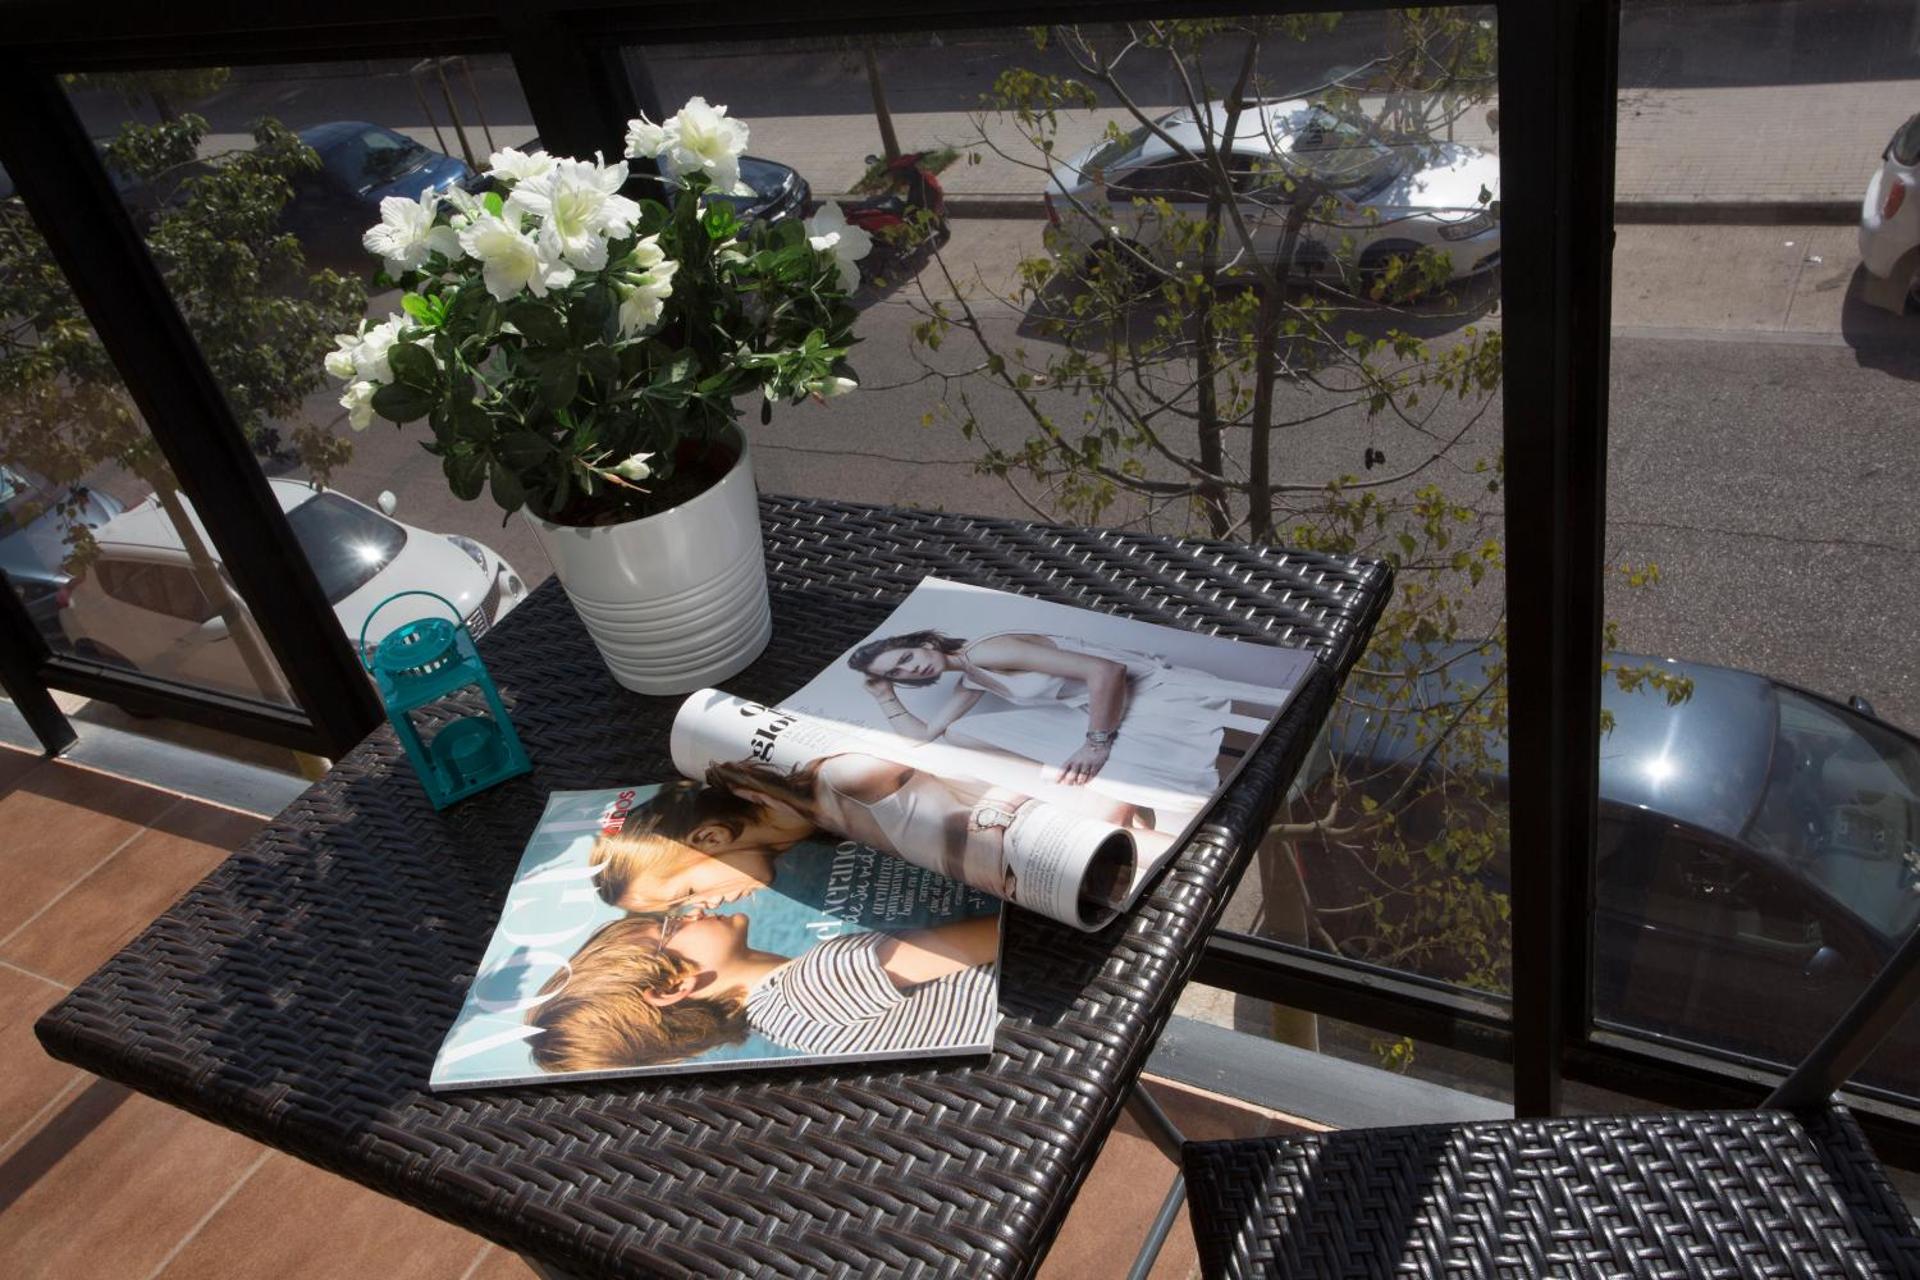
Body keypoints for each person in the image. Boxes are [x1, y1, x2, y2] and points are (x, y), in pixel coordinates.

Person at [525, 910, 998, 1069]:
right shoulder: (813, 985)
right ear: (673, 987)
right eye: (670, 925)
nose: (690, 910)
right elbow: (998, 936)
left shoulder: (778, 1021)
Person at [849, 628, 1283, 801]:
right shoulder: (973, 675)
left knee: (1125, 766)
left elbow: (1106, 671)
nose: (912, 669)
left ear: (925, 641)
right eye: (899, 673)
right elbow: (926, 734)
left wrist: (1095, 744)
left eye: (905, 657)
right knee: (960, 733)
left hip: (1151, 691)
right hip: (1118, 708)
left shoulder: (986, 651)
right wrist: (884, 695)